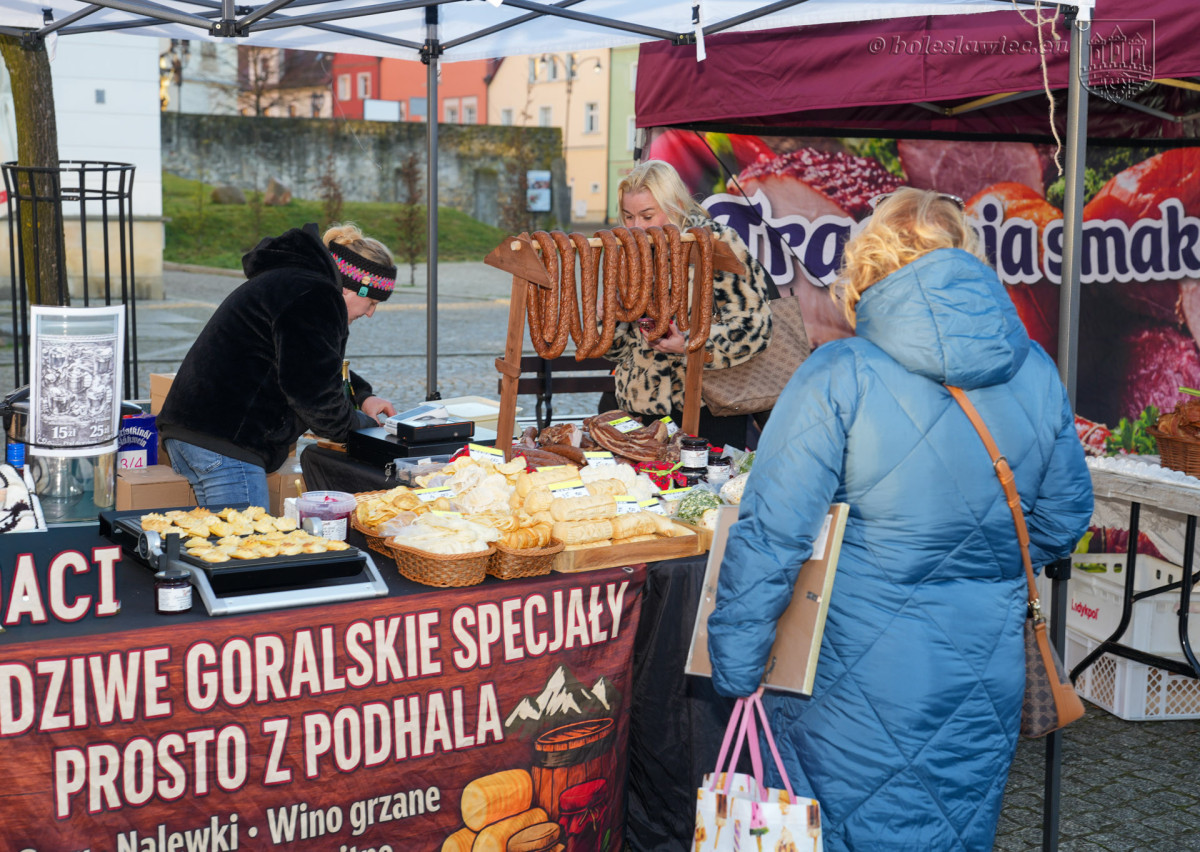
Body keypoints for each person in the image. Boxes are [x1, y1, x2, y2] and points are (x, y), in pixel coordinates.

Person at [706, 188, 1093, 851]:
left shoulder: (840, 370)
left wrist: (736, 664)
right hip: (985, 672)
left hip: (852, 681)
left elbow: (773, 532)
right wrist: (985, 559)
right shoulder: (1034, 368)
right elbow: (1062, 520)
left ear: (870, 264)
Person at [158, 222, 398, 507]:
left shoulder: (297, 283)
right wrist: (364, 426)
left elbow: (306, 360)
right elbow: (315, 396)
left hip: (195, 434)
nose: (370, 313)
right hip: (227, 444)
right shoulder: (317, 296)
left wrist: (362, 395)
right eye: (372, 302)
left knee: (220, 547)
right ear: (355, 289)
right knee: (247, 547)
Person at [599, 159, 774, 449]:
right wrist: (608, 320)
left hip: (709, 407)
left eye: (647, 215)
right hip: (640, 410)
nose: (636, 226)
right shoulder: (626, 253)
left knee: (700, 492)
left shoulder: (717, 243)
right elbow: (619, 351)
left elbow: (754, 327)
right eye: (628, 216)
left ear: (675, 204)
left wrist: (690, 345)